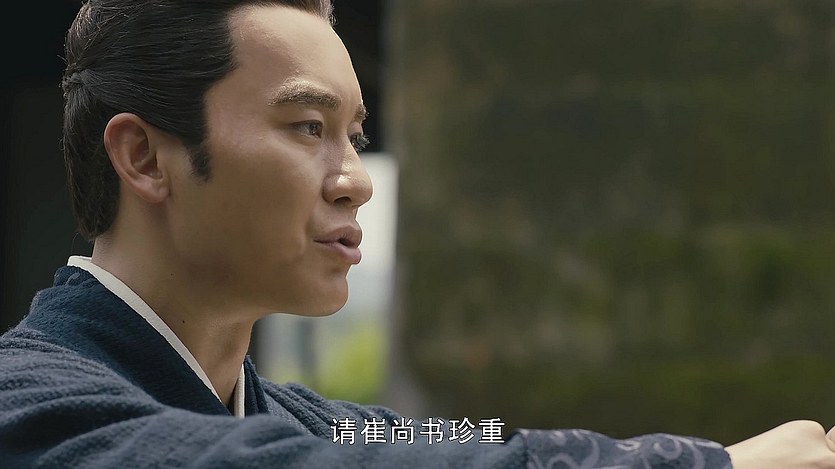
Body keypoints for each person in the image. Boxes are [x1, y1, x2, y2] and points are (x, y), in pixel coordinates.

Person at [0, 0, 833, 467]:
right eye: (305, 126)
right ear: (145, 156)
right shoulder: (29, 402)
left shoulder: (312, 422)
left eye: (353, 135)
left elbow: (466, 444)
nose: (356, 178)